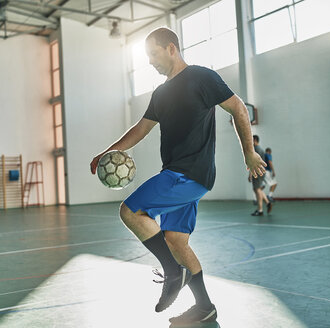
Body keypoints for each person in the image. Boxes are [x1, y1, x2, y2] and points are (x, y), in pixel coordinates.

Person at [90, 27, 266, 325]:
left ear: (171, 48)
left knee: (130, 211)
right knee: (175, 241)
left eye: (153, 54)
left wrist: (248, 153)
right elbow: (141, 129)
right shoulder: (160, 93)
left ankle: (173, 272)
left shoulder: (201, 77)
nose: (150, 62)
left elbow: (238, 108)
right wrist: (107, 151)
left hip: (190, 173)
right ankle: (205, 306)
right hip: (176, 173)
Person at [249, 135, 272, 216]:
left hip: (257, 172)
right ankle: (267, 202)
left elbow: (253, 162)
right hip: (260, 172)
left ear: (255, 140)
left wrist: (250, 174)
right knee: (257, 189)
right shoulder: (260, 149)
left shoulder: (256, 150)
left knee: (257, 190)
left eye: (251, 139)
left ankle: (260, 210)